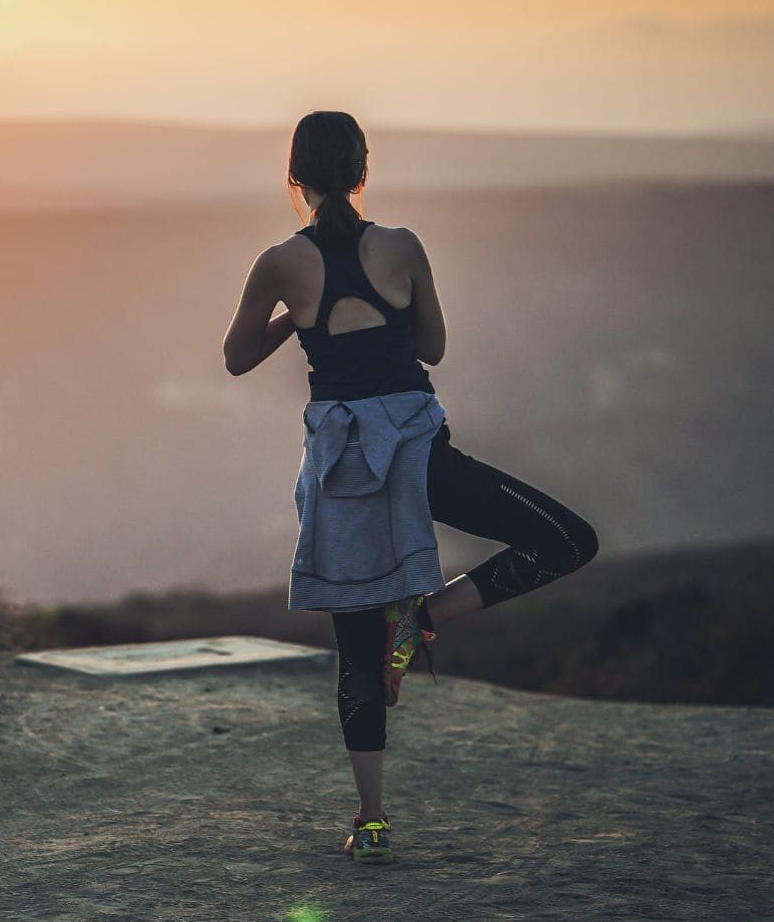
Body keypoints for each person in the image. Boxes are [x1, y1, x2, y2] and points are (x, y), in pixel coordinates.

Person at [221, 110, 600, 864]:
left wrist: (298, 322)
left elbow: (235, 358)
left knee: (355, 645)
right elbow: (432, 346)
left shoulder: (278, 263)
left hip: (341, 471)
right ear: (364, 170)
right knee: (567, 539)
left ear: (294, 176)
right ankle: (429, 616)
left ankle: (372, 820)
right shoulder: (403, 248)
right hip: (419, 453)